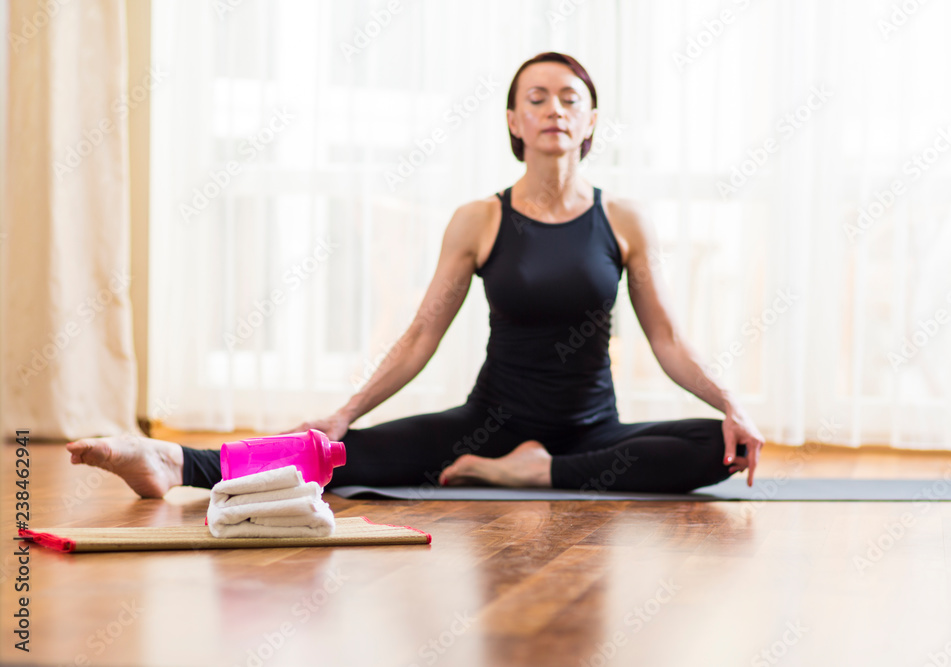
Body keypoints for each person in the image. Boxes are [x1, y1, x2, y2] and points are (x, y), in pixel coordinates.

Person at [67, 52, 765, 499]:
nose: (555, 109)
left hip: (592, 433)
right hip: (487, 425)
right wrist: (346, 412)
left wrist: (733, 402)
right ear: (514, 121)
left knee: (718, 446)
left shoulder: (624, 220)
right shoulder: (479, 219)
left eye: (570, 98)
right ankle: (173, 462)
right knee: (344, 453)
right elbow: (421, 334)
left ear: (590, 122)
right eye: (537, 97)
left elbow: (668, 340)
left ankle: (537, 472)